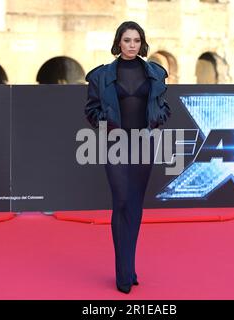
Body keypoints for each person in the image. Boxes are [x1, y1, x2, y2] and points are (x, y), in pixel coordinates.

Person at [84, 21, 171, 294]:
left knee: (134, 205)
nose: (132, 45)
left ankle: (129, 268)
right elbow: (91, 111)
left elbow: (164, 109)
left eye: (136, 40)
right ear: (118, 43)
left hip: (144, 145)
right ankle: (123, 274)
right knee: (121, 201)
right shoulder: (101, 76)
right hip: (116, 144)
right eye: (127, 40)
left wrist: (154, 123)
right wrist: (108, 123)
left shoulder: (155, 73)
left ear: (141, 43)